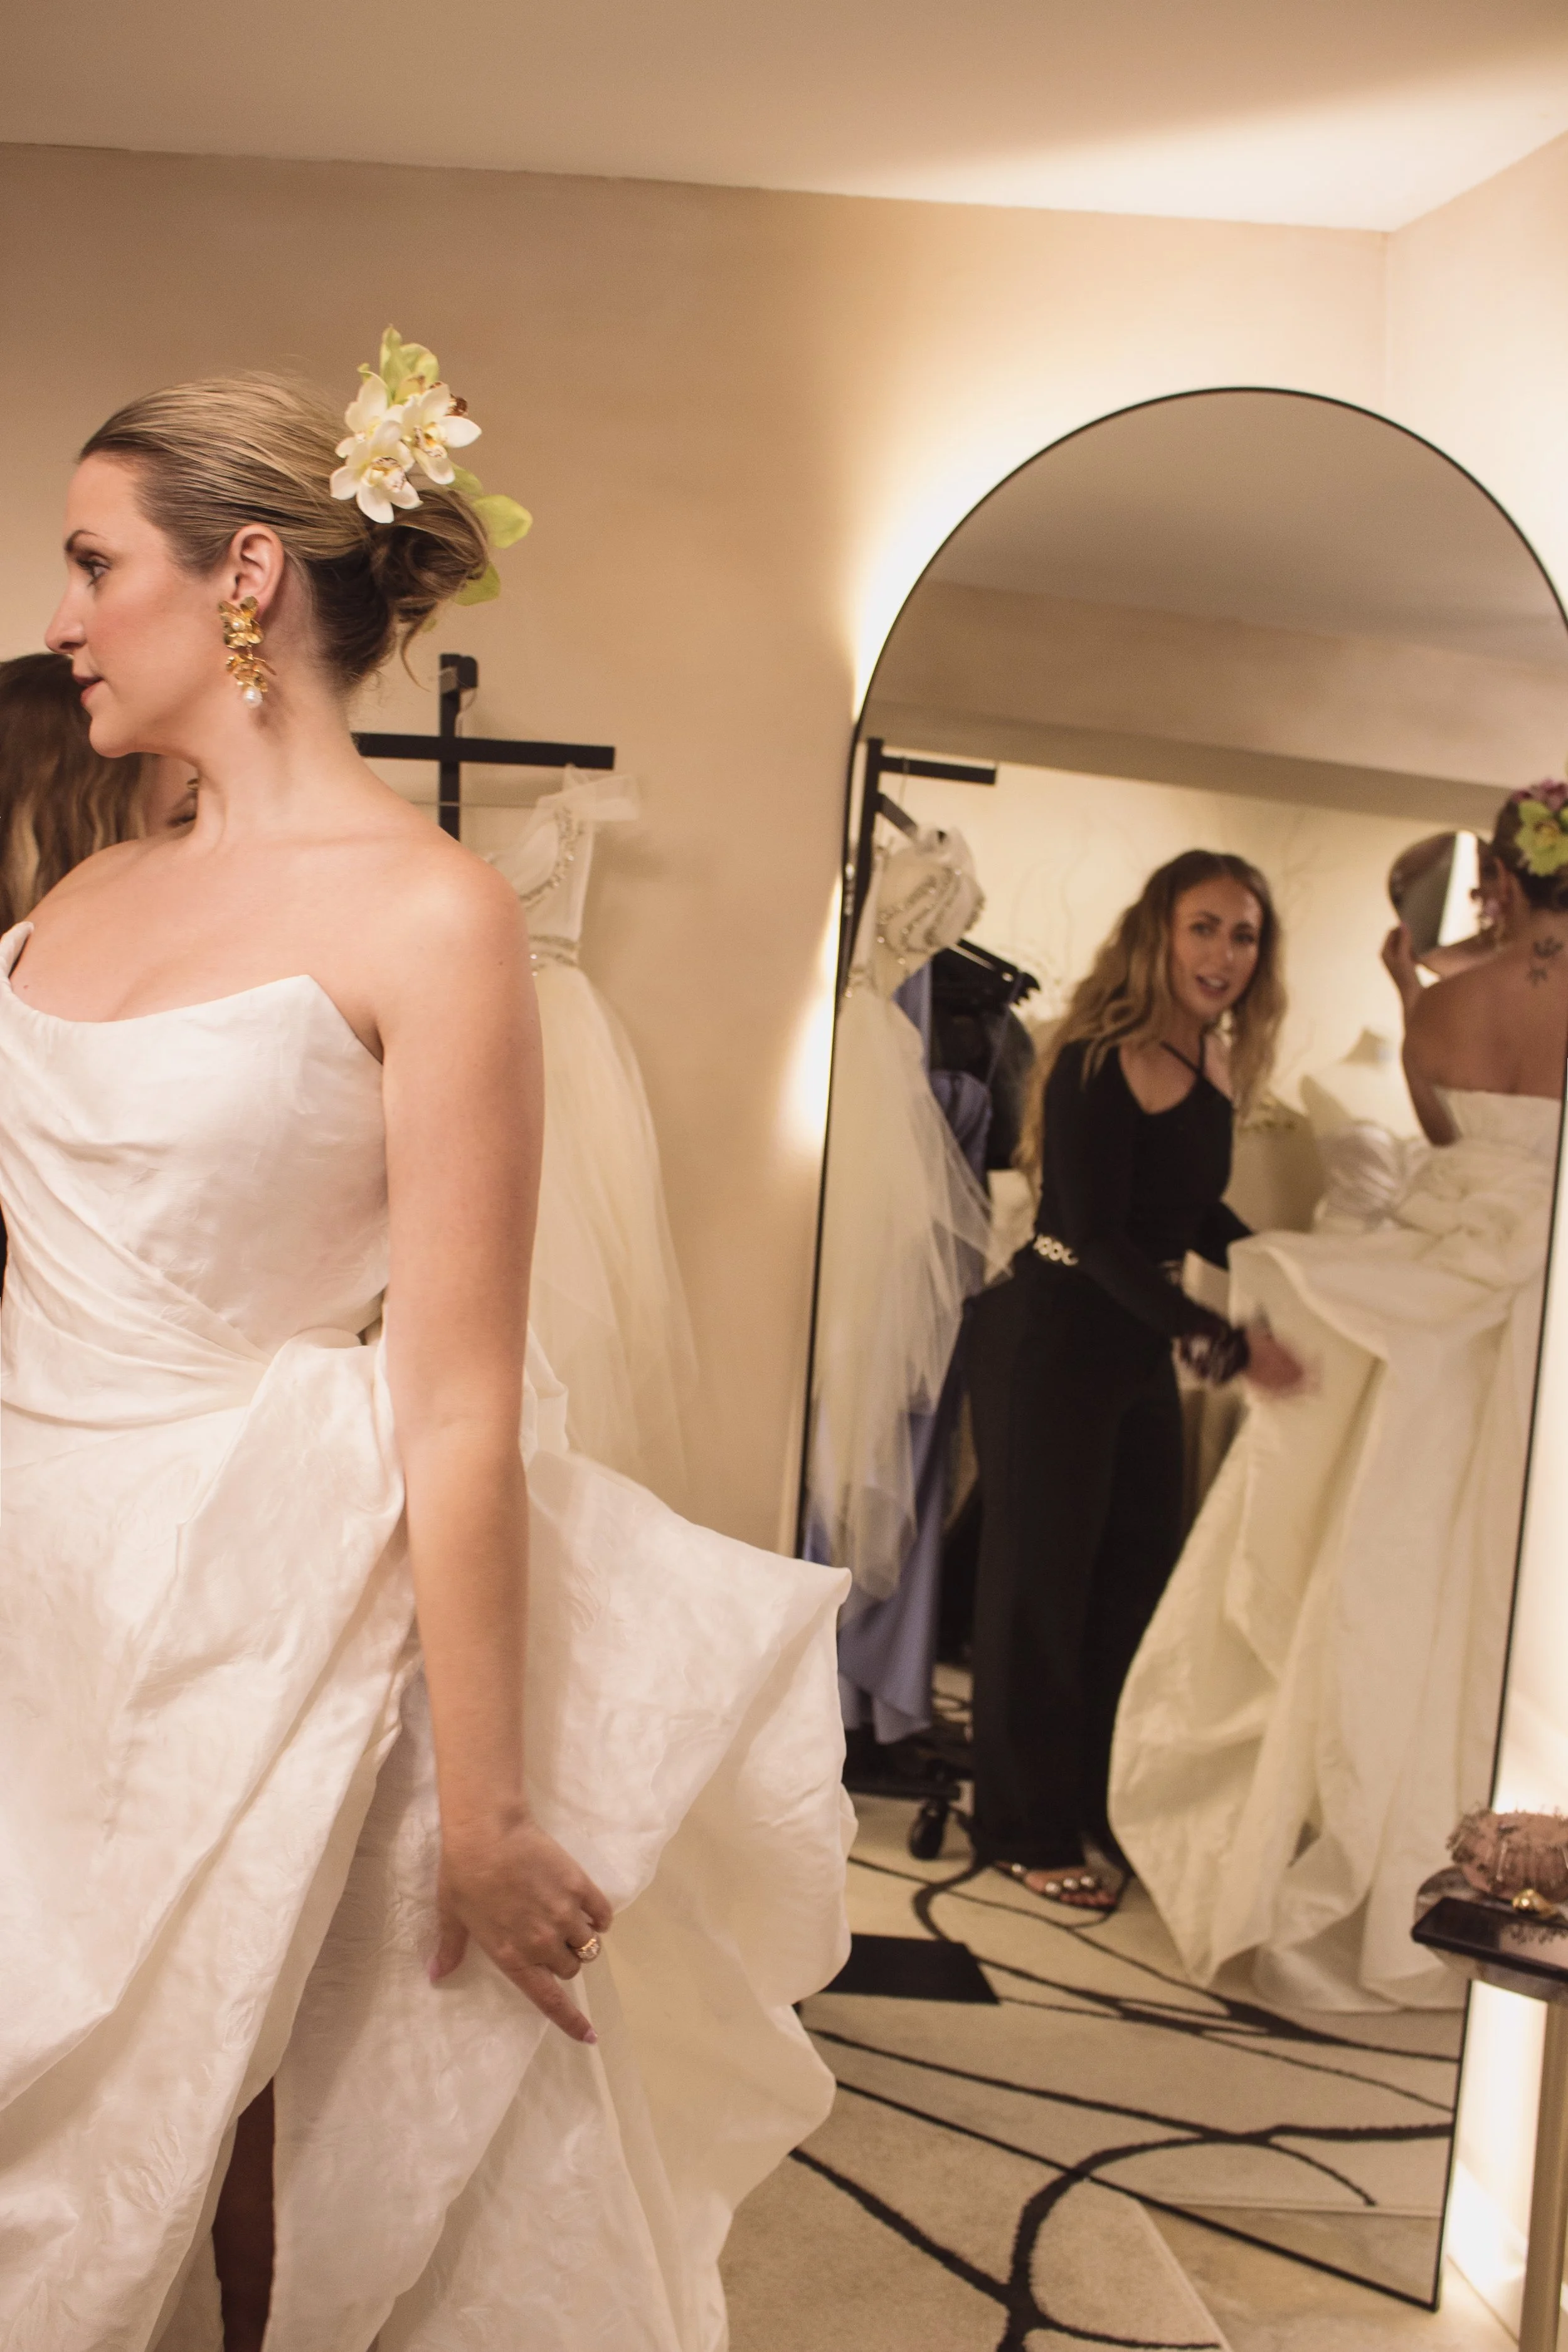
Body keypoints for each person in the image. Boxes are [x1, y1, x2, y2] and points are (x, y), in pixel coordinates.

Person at [0, 342, 849, 2350]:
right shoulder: (90, 879)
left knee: (258, 2137)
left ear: (246, 576)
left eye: (86, 558)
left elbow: (457, 1389)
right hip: (27, 1559)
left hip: (253, 1591)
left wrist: (487, 1808)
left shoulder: (432, 916)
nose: (53, 617)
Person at [1110, 787, 1568, 2009]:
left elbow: (1442, 1139)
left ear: (1510, 881)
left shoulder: (1441, 1013)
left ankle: (1374, 1853)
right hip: (1538, 1333)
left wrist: (1421, 980)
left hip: (1441, 1338)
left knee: (1389, 1574)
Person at [968, 852, 1304, 1912]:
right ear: (1159, 933)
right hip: (1053, 1335)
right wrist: (1229, 1339)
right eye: (1204, 928)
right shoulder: (1096, 1057)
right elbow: (1100, 1233)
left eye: (1244, 935)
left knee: (1133, 1589)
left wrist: (1290, 1275)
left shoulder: (1210, 1056)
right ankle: (1025, 1829)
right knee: (1039, 1597)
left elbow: (1186, 1212)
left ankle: (1110, 1808)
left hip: (1131, 1347)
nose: (1224, 955)